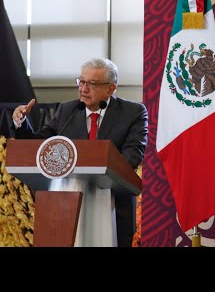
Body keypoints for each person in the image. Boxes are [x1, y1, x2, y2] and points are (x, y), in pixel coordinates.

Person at [12, 57, 148, 247]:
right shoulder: (68, 110)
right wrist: (21, 124)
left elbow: (133, 154)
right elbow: (40, 144)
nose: (83, 89)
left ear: (111, 89)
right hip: (64, 208)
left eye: (92, 84)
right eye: (81, 81)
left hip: (113, 204)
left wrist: (101, 169)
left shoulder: (133, 112)